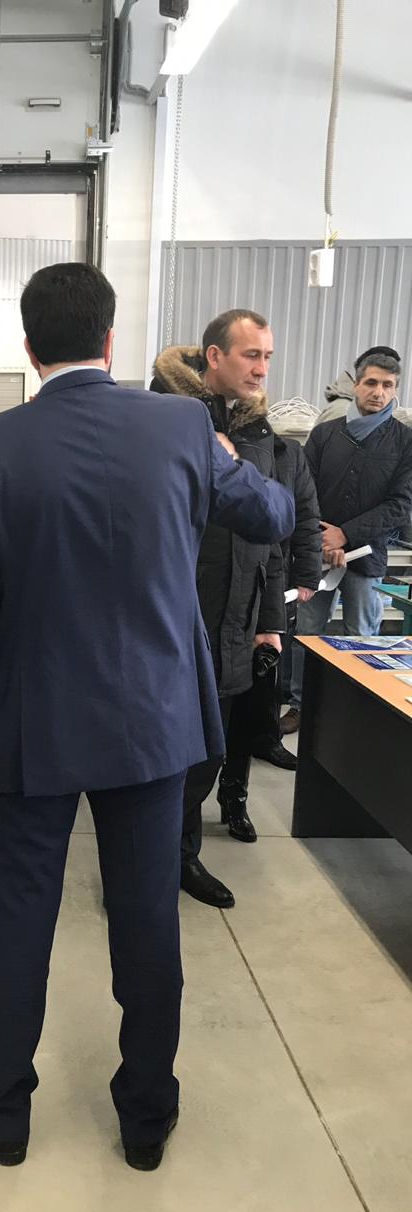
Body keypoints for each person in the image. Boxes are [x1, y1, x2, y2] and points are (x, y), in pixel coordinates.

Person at [0, 263, 293, 1173]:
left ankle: (4, 1111)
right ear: (108, 338)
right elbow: (274, 513)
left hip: (33, 722)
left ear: (28, 348)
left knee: (19, 919)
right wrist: (221, 463)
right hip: (151, 720)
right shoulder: (183, 426)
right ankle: (145, 1117)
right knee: (146, 920)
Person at [151, 311, 288, 908]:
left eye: (267, 357)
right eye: (250, 355)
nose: (261, 369)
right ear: (213, 356)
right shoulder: (162, 418)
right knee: (161, 758)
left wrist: (269, 622)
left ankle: (182, 857)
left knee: (208, 754)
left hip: (236, 617)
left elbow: (274, 534)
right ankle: (144, 868)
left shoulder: (258, 432)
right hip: (173, 618)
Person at [284, 348, 412, 733]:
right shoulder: (325, 434)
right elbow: (303, 490)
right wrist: (322, 538)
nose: (378, 392)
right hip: (318, 553)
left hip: (367, 557)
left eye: (387, 385)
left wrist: (347, 534)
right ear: (355, 384)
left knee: (362, 637)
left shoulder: (405, 442)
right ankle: (300, 706)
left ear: (396, 389)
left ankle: (356, 712)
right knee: (307, 633)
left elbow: (401, 504)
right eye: (371, 382)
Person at [216, 420, 322, 800]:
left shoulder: (286, 453)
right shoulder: (200, 442)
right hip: (214, 588)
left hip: (267, 586)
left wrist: (307, 574)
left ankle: (240, 785)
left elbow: (304, 517)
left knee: (260, 689)